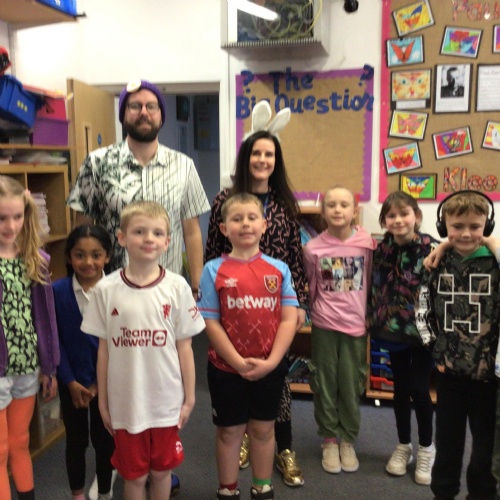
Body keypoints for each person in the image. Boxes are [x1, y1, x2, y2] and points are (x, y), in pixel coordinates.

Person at [81, 201, 205, 500]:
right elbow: (103, 352)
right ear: (122, 238)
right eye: (139, 231)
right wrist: (103, 402)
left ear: (167, 241)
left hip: (166, 402)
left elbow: (185, 349)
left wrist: (189, 398)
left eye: (157, 233)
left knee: (161, 473)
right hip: (126, 404)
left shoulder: (177, 287)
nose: (149, 238)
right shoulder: (105, 290)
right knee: (134, 477)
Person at [205, 128, 308, 487]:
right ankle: (244, 440)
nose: (262, 160)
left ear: (276, 161)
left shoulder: (285, 203)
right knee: (238, 387)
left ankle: (284, 447)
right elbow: (213, 250)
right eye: (256, 153)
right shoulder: (225, 199)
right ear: (246, 157)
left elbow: (294, 256)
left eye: (269, 154)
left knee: (276, 378)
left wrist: (299, 303)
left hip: (277, 300)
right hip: (234, 298)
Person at [199, 193, 299, 500]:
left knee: (263, 430)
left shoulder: (279, 269)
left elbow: (288, 319)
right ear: (223, 228)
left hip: (270, 367)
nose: (245, 224)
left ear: (264, 225)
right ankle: (228, 489)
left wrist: (272, 362)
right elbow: (211, 322)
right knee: (229, 432)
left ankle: (262, 486)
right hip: (225, 369)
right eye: (237, 219)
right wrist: (237, 362)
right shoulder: (213, 270)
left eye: (252, 218)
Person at [67, 78, 210, 292]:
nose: (144, 112)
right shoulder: (97, 163)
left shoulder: (184, 165)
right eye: (135, 106)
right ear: (123, 115)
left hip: (167, 291)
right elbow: (83, 228)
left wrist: (197, 287)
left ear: (161, 116)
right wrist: (82, 285)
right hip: (111, 289)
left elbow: (192, 232)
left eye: (151, 106)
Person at [416, 191, 500, 499]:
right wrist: (434, 350)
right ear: (444, 227)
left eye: (475, 226)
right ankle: (444, 493)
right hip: (449, 374)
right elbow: (422, 308)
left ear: (486, 226)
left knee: (485, 451)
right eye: (457, 226)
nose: (466, 233)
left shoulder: (494, 262)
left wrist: (493, 244)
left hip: (488, 378)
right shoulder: (436, 264)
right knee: (448, 445)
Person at [303, 186, 376, 474]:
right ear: (323, 212)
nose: (337, 210)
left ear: (354, 210)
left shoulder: (366, 244)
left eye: (344, 205)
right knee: (324, 382)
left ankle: (347, 439)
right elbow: (312, 286)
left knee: (351, 383)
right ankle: (329, 439)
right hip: (324, 324)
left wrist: (370, 315)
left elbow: (371, 280)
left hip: (356, 327)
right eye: (331, 205)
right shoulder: (313, 248)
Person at [366, 191, 438, 485]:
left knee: (420, 389)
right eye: (391, 215)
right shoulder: (381, 249)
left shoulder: (433, 248)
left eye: (404, 213)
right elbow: (375, 284)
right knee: (400, 388)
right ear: (384, 221)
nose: (398, 220)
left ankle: (426, 447)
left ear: (416, 216)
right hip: (394, 328)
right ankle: (403, 444)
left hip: (423, 331)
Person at [0, 176, 59, 500]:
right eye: (2, 218)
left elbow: (46, 319)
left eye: (17, 216)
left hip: (27, 365)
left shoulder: (36, 259)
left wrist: (49, 366)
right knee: (0, 448)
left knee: (20, 441)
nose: (11, 226)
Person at [53, 225, 117, 500]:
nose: (88, 262)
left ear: (107, 256)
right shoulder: (56, 292)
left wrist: (98, 384)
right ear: (69, 257)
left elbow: (119, 342)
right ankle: (77, 494)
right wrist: (70, 381)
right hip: (72, 382)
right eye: (80, 255)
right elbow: (54, 341)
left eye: (96, 255)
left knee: (105, 441)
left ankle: (104, 492)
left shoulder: (117, 291)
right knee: (76, 441)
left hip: (107, 382)